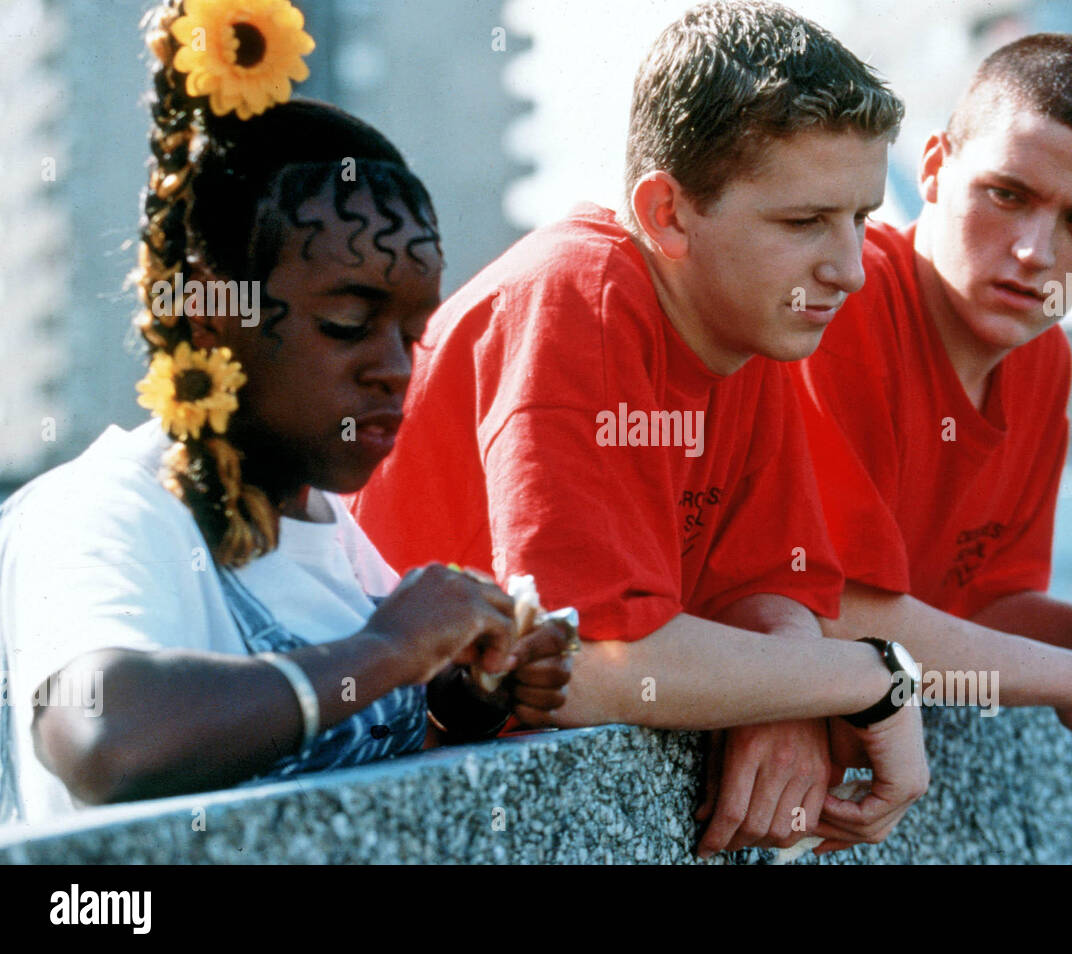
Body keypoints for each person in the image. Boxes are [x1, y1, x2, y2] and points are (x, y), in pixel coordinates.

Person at [350, 0, 929, 859]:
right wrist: (876, 679)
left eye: (862, 219)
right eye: (804, 222)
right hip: (403, 805)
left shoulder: (751, 323)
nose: (849, 269)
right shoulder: (574, 299)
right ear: (665, 214)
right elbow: (581, 669)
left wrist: (789, 700)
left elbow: (775, 588)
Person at [0, 0, 570, 828]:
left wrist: (465, 695)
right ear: (208, 314)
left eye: (414, 334)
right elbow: (102, 739)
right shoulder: (102, 512)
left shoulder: (327, 529)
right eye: (348, 323)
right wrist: (385, 650)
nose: (393, 368)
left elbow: (347, 752)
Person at [790, 33, 1072, 802]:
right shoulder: (841, 310)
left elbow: (984, 604)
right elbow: (831, 614)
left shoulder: (1045, 358)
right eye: (1007, 195)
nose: (1035, 253)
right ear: (933, 168)